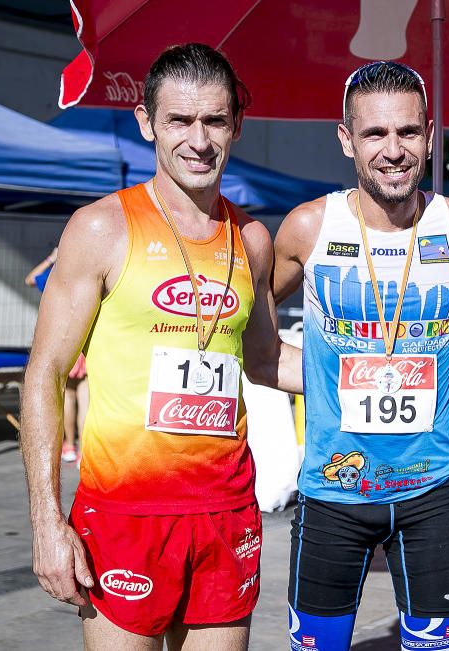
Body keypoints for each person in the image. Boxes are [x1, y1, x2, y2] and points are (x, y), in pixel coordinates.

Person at [21, 43, 299, 651]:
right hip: (125, 514)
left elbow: (265, 360)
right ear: (147, 122)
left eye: (214, 121)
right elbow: (44, 373)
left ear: (236, 124)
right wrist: (47, 520)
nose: (199, 140)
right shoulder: (101, 228)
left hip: (226, 512)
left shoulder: (252, 238)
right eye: (179, 120)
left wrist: (369, 367)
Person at [272, 61, 449, 651]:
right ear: (346, 139)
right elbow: (247, 317)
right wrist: (300, 375)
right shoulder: (309, 227)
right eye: (374, 134)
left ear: (429, 133)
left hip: (431, 493)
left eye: (408, 133)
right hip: (332, 492)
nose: (393, 151)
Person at [25, 247, 87, 463]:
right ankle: (84, 450)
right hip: (86, 341)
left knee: (68, 396)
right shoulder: (91, 274)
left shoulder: (57, 278)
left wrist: (52, 257)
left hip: (63, 341)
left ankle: (69, 445)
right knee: (86, 397)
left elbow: (30, 279)